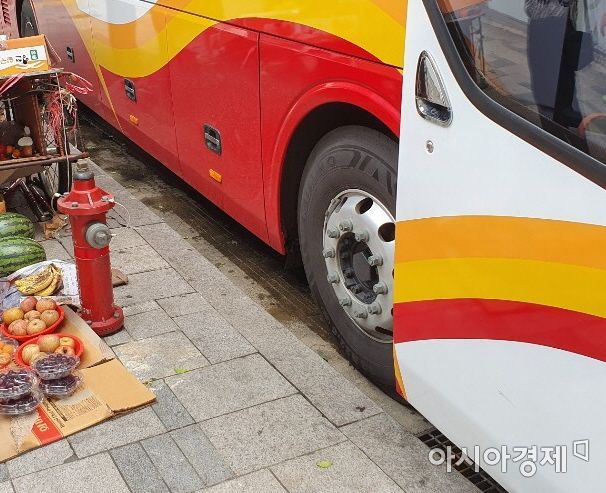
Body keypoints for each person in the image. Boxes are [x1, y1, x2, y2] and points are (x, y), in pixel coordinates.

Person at [525, 0, 589, 127]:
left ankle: (562, 126)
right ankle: (555, 128)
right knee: (547, 89)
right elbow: (531, 8)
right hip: (544, 26)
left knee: (562, 86)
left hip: (561, 25)